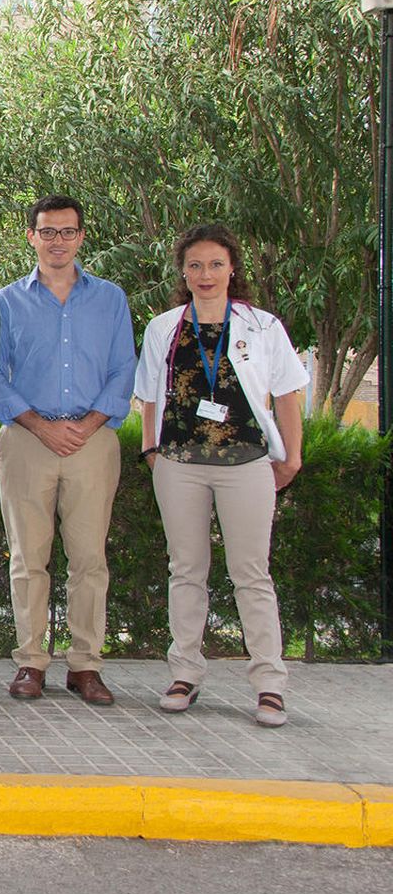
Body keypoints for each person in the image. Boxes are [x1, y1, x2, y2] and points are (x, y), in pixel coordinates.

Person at [135, 224, 306, 728]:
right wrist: (151, 451)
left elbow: (289, 395)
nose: (205, 274)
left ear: (232, 268)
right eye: (194, 265)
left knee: (251, 574)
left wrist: (291, 457)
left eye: (214, 264)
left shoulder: (263, 326)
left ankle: (269, 684)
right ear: (182, 273)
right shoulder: (164, 328)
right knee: (186, 570)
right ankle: (185, 673)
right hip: (180, 467)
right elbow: (149, 396)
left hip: (247, 465)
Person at [0, 196, 136, 706]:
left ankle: (85, 666)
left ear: (81, 237)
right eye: (48, 232)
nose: (57, 241)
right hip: (26, 440)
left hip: (94, 443)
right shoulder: (6, 301)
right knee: (29, 558)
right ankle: (30, 662)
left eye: (67, 232)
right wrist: (38, 425)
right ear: (31, 236)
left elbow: (123, 369)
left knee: (90, 559)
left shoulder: (111, 299)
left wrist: (88, 424)